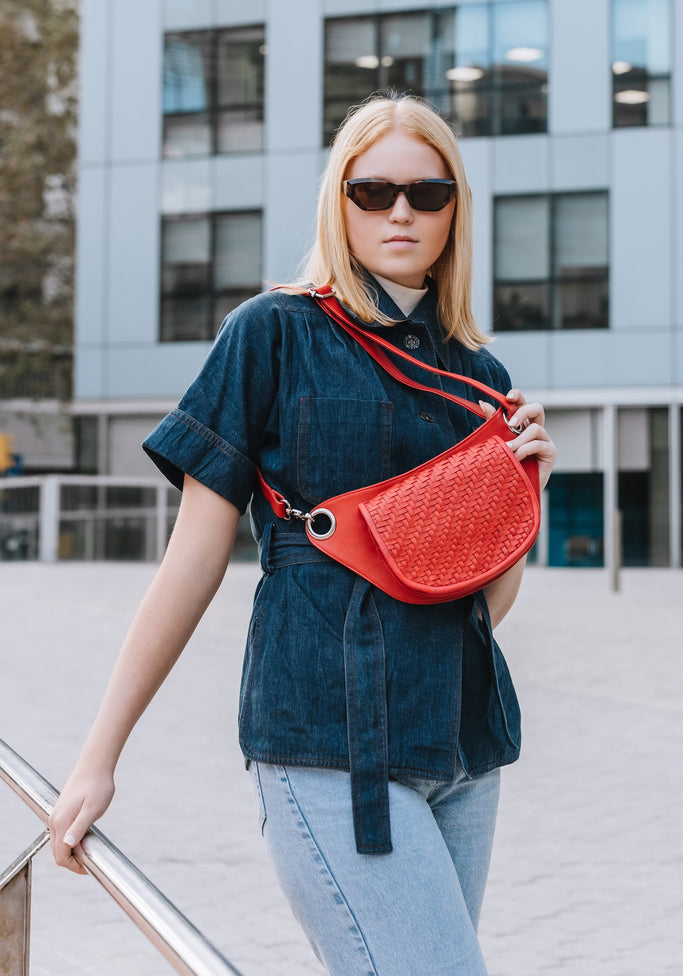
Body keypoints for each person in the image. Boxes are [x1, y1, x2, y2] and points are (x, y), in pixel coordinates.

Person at [48, 94, 556, 975]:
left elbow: (479, 601)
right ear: (340, 201)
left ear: (453, 211)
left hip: (465, 749)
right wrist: (99, 757)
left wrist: (525, 497)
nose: (401, 212)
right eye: (374, 191)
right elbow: (193, 560)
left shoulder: (481, 376)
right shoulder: (272, 335)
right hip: (328, 738)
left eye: (427, 194)